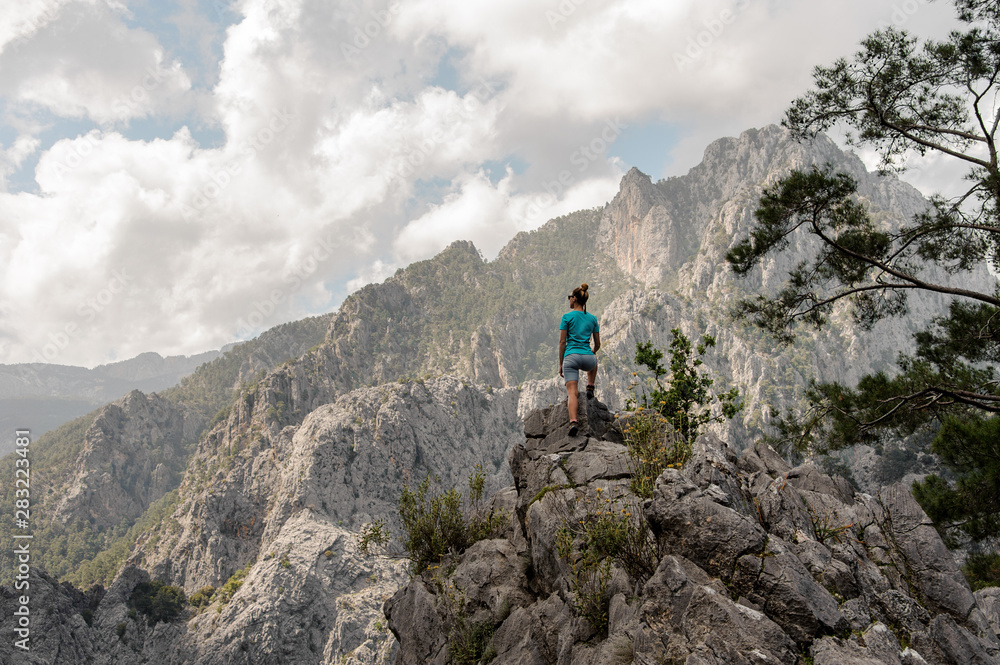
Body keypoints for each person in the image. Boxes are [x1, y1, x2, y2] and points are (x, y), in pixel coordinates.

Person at [558, 283, 600, 437]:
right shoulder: (593, 318)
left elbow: (562, 342)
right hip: (588, 358)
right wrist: (591, 353)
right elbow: (598, 344)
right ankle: (590, 385)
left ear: (574, 299)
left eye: (570, 297)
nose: (569, 300)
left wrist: (561, 364)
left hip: (571, 358)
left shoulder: (567, 317)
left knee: (573, 393)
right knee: (594, 362)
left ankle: (574, 421)